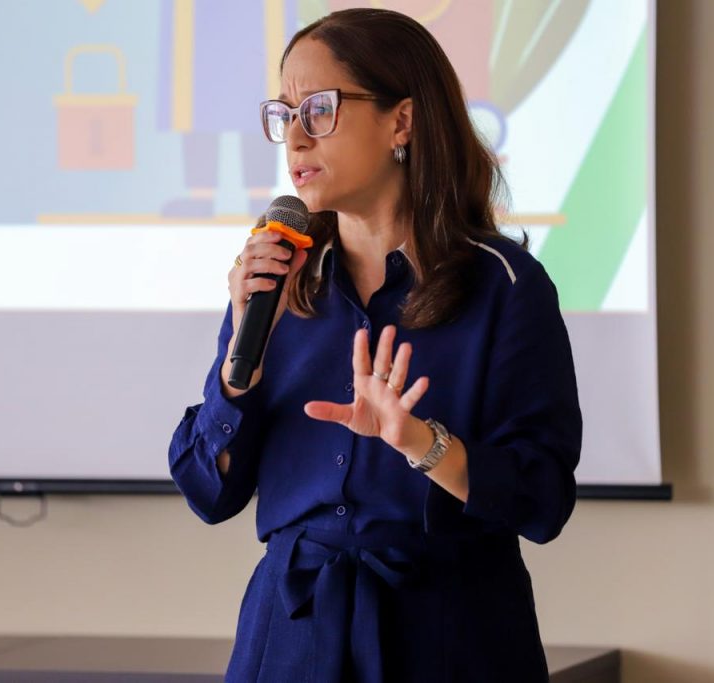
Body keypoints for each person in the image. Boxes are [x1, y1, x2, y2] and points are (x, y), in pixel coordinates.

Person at [168, 8, 582, 682]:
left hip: (450, 634)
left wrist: (422, 443)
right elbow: (207, 492)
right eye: (284, 114)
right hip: (293, 634)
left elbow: (542, 499)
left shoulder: (505, 286)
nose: (295, 137)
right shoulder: (276, 281)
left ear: (402, 122)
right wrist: (239, 369)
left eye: (320, 109)